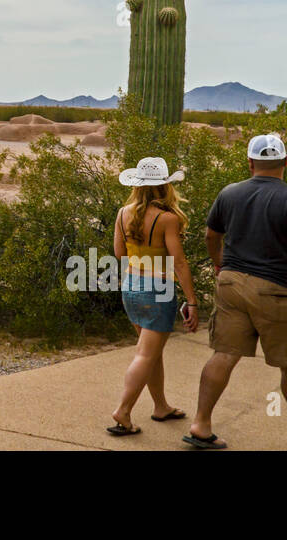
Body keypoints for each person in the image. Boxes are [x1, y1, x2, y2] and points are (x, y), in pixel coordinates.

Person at [184, 134, 287, 451]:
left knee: (224, 354)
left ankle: (201, 425)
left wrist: (221, 266)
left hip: (232, 285)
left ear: (250, 163)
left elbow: (210, 235)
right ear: (286, 162)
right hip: (279, 291)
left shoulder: (229, 193)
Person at [107, 156, 200, 437]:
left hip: (131, 285)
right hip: (158, 288)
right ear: (165, 187)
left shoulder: (123, 213)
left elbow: (119, 254)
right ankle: (123, 411)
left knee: (151, 352)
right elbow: (180, 262)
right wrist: (192, 300)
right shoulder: (167, 219)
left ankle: (161, 406)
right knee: (146, 353)